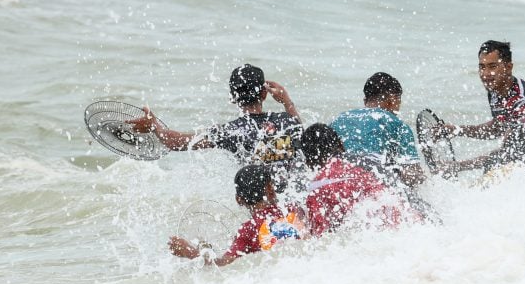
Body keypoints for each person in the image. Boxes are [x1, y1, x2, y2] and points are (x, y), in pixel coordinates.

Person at [440, 40, 525, 187]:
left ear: (508, 67)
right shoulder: (495, 90)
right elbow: (498, 127)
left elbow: (506, 153)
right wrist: (457, 130)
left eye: (492, 67)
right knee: (491, 174)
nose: (486, 74)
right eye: (482, 67)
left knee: (483, 184)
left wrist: (459, 166)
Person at [130, 64, 305, 176]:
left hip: (263, 203)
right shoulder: (286, 121)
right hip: (295, 195)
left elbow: (176, 142)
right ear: (264, 94)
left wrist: (154, 126)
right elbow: (299, 129)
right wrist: (287, 101)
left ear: (232, 98)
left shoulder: (230, 131)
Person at [168, 164, 305, 266]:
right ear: (270, 189)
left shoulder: (248, 230)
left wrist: (191, 252)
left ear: (238, 199)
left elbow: (223, 265)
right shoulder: (294, 210)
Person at [300, 123, 407, 236]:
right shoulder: (369, 164)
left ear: (308, 160)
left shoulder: (317, 186)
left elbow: (319, 235)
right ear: (341, 145)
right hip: (396, 216)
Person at [329, 72, 425, 188]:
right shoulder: (396, 123)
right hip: (369, 185)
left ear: (365, 101)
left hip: (333, 180)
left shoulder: (339, 119)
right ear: (393, 100)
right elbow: (410, 175)